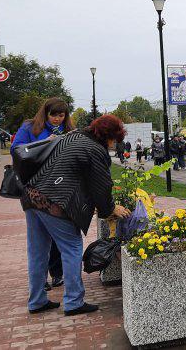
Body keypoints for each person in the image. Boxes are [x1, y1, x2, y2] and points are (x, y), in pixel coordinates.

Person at [21, 114, 132, 316]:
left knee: (37, 252)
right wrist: (110, 210)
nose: (114, 144)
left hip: (32, 195)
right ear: (108, 136)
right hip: (55, 202)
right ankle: (73, 301)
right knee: (72, 248)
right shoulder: (96, 150)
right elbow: (101, 186)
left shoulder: (73, 136)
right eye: (114, 140)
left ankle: (36, 300)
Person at [11, 97, 75, 291]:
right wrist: (45, 143)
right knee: (38, 243)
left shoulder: (68, 130)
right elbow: (17, 150)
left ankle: (57, 274)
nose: (57, 119)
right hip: (35, 190)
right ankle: (40, 284)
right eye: (53, 115)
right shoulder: (31, 127)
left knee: (58, 237)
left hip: (59, 188)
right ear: (46, 113)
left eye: (61, 116)